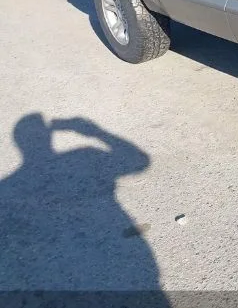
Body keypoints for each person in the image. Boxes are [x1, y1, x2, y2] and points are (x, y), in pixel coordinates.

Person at [0, 114, 168, 304]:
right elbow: (139, 162)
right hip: (130, 264)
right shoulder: (84, 155)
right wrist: (94, 132)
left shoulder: (7, 188)